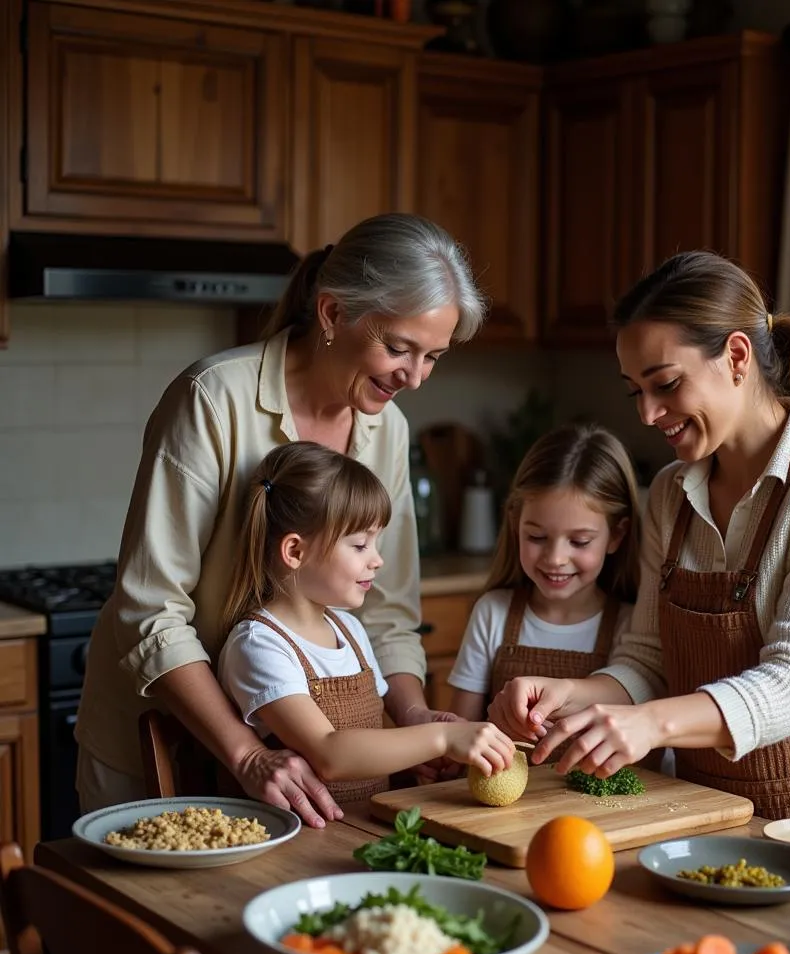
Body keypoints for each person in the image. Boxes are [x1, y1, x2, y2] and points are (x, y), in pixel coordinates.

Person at [488, 251, 790, 860]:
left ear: (737, 357)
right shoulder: (672, 491)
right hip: (711, 819)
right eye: (636, 391)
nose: (647, 413)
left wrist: (650, 725)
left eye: (665, 384)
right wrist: (572, 692)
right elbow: (648, 659)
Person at [76, 213, 487, 828]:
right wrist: (246, 754)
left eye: (433, 357)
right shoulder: (213, 400)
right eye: (399, 348)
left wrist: (413, 715)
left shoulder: (388, 430)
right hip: (163, 748)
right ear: (330, 314)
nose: (416, 377)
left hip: (299, 774)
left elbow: (390, 612)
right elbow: (152, 612)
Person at [217, 441, 515, 797]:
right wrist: (441, 739)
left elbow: (372, 740)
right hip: (306, 842)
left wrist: (417, 744)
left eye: (376, 543)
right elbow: (330, 753)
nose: (377, 560)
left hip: (366, 830)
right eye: (360, 545)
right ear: (295, 551)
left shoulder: (350, 630)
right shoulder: (259, 644)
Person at [447, 423, 639, 724]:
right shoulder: (493, 613)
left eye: (579, 542)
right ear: (515, 523)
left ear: (616, 535)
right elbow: (459, 734)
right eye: (537, 537)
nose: (555, 558)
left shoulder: (632, 627)